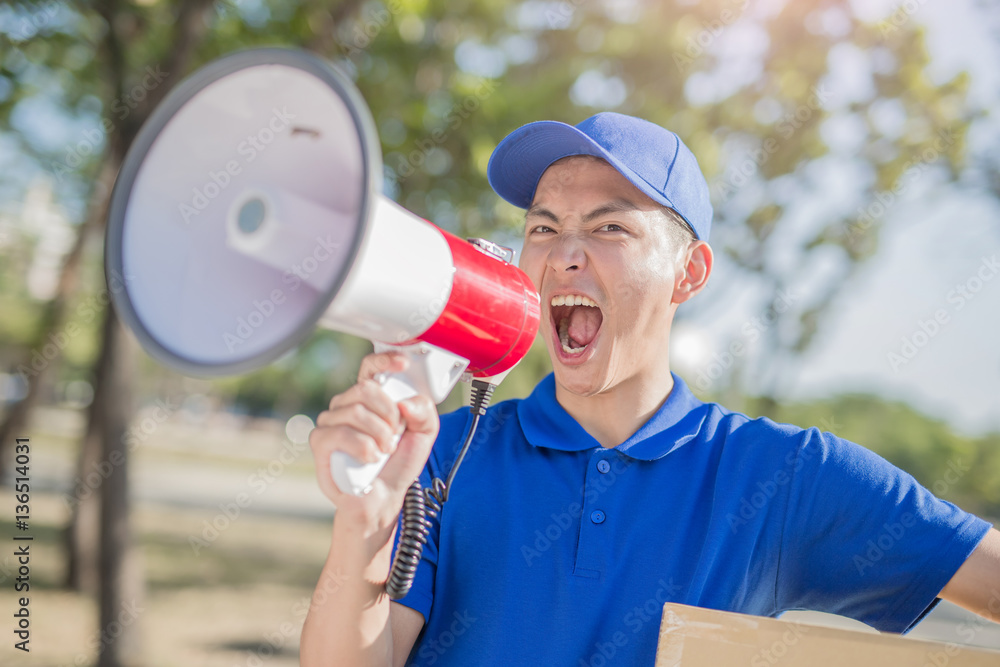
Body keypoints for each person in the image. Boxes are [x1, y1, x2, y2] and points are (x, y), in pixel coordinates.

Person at [300, 112, 1000, 666]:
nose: (564, 252)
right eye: (543, 227)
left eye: (609, 227)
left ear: (689, 273)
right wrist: (362, 530)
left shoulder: (782, 475)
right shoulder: (441, 451)